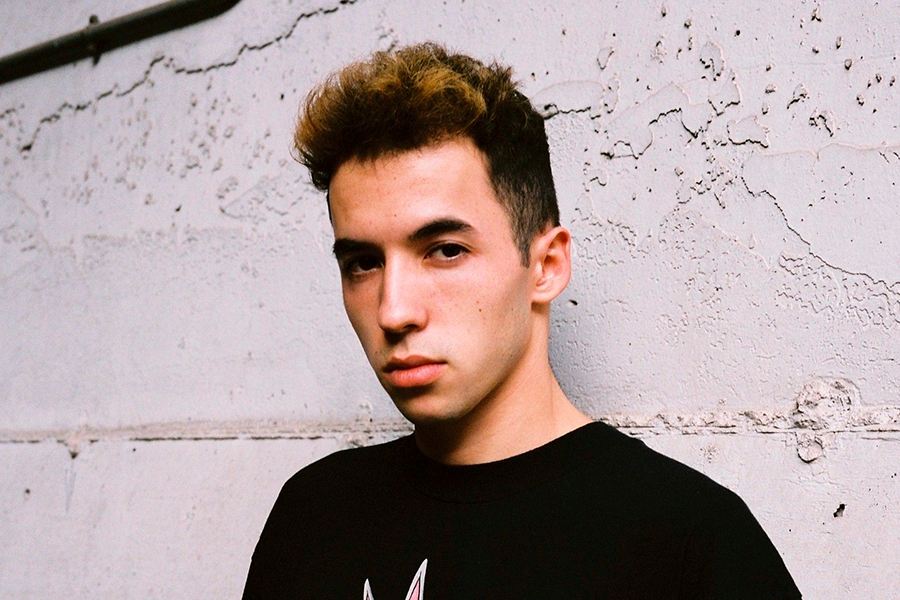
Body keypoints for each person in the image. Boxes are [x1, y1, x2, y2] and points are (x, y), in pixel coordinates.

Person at [242, 42, 801, 599]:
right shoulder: (313, 517)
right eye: (363, 263)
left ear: (546, 266)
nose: (394, 311)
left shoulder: (688, 543)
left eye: (445, 251)